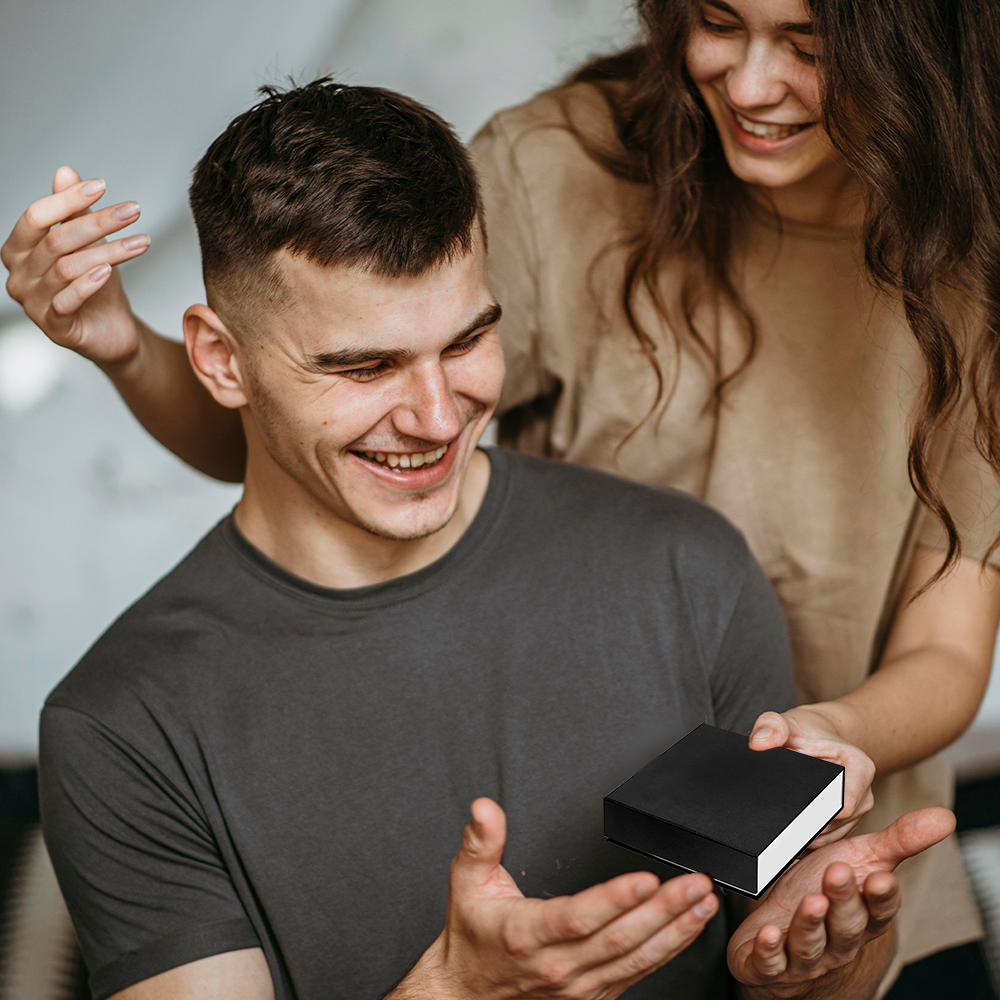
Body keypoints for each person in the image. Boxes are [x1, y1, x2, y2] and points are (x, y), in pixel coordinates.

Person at [5, 0, 1000, 993]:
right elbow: (308, 427)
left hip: (831, 825)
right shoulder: (555, 172)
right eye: (717, 22)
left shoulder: (695, 558)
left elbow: (947, 647)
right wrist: (124, 346)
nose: (747, 84)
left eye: (807, 46)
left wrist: (832, 746)